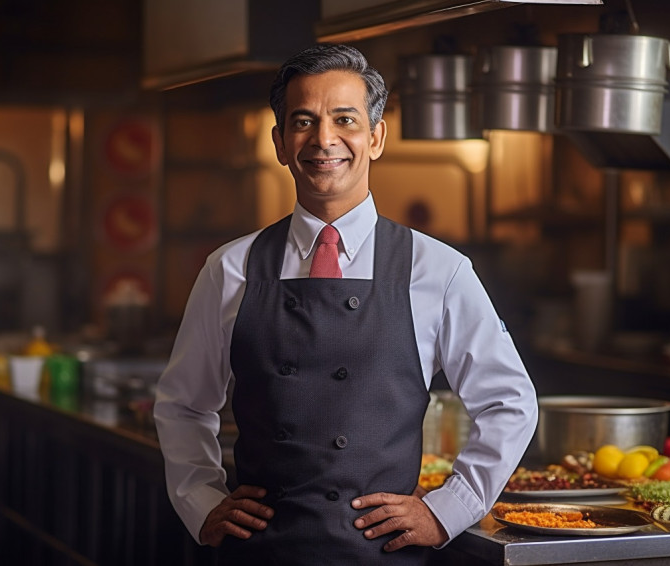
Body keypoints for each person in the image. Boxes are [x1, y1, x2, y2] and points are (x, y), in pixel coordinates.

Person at [154, 43, 538, 565]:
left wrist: (447, 509)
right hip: (258, 553)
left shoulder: (438, 269)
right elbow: (182, 404)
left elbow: (510, 401)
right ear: (280, 142)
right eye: (304, 121)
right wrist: (201, 501)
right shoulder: (231, 268)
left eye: (345, 119)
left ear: (375, 137)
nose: (324, 139)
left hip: (380, 555)